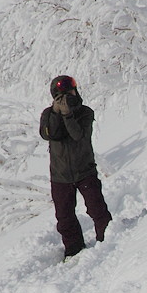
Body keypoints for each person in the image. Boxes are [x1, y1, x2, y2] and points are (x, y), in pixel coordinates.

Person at [39, 75, 112, 258]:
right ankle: (74, 250)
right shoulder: (48, 115)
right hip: (60, 176)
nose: (67, 99)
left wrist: (68, 115)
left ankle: (109, 239)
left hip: (84, 171)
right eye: (61, 97)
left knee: (97, 209)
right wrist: (56, 113)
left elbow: (78, 135)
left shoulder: (85, 113)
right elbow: (50, 134)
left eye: (70, 93)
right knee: (64, 219)